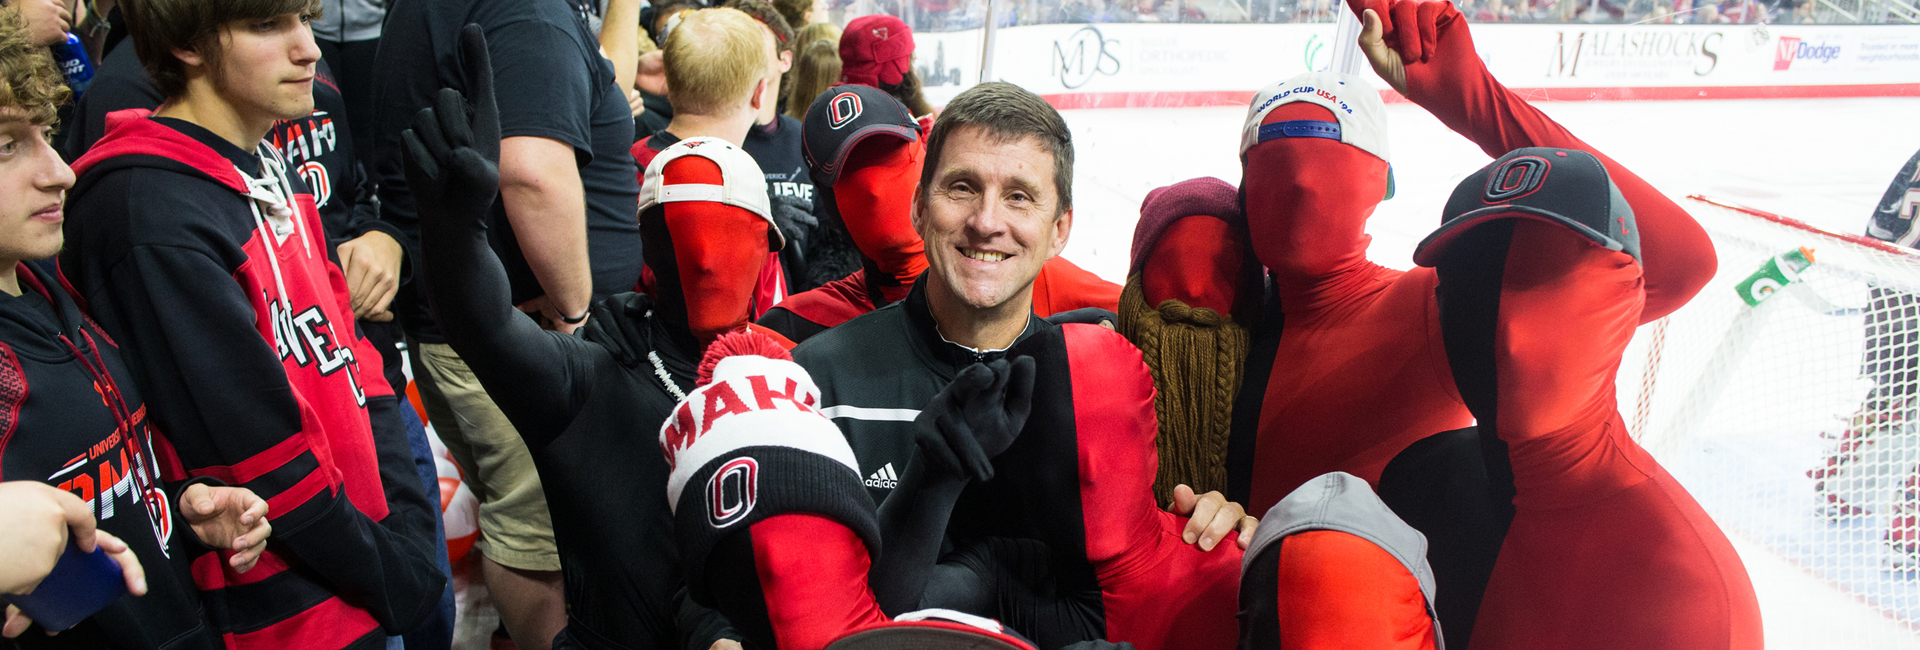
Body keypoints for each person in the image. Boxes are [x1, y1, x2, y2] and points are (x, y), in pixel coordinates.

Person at [790, 81, 1251, 647]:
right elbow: (739, 586)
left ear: (1060, 229)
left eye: (1019, 197)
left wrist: (1215, 527)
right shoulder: (814, 381)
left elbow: (1151, 545)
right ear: (919, 206)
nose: (987, 222)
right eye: (961, 188)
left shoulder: (1103, 390)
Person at [58, 0, 445, 646]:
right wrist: (390, 570)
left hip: (366, 566)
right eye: (269, 26)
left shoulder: (265, 155)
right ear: (189, 44)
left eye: (304, 18)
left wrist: (402, 533)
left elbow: (348, 356)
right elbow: (256, 452)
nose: (310, 48)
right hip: (287, 607)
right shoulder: (148, 209)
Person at [403, 25, 775, 650]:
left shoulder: (789, 373)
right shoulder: (595, 375)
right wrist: (452, 233)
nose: (708, 259)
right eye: (684, 234)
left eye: (729, 235)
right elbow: (485, 327)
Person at [374, 0, 644, 641]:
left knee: (534, 521)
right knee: (537, 531)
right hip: (522, 329)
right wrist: (577, 316)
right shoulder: (527, 10)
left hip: (484, 322)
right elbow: (530, 174)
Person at [0, 19, 271, 644]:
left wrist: (177, 505)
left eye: (44, 136)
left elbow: (79, 477)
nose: (59, 173)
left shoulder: (45, 284)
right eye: (9, 146)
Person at [757, 84, 1122, 344]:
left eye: (892, 162)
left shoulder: (1035, 275)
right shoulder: (799, 327)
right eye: (851, 178)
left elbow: (1159, 322)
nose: (874, 191)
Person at [631, 7, 790, 318]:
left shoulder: (626, 166)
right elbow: (768, 316)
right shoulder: (745, 189)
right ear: (760, 93)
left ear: (667, 83)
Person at [1115, 177, 1257, 501]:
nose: (1193, 288)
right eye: (1171, 261)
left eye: (1224, 266)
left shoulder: (1269, 380)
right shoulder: (1104, 370)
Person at [1814, 144, 1920, 560]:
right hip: (1896, 267)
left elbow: (1881, 224)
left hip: (1891, 265)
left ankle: (1845, 486)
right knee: (1895, 393)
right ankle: (1907, 521)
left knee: (1893, 391)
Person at [720, 0, 821, 296]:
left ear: (784, 59)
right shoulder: (718, 141)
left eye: (754, 37)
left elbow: (832, 241)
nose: (745, 47)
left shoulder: (804, 137)